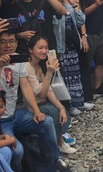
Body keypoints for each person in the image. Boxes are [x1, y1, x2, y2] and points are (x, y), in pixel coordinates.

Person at [0, 31, 70, 172]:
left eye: (12, 41)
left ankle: (53, 160)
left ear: (17, 43)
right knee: (17, 151)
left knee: (46, 121)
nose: (8, 45)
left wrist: (36, 111)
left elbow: (26, 87)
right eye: (3, 42)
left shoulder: (19, 60)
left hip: (15, 113)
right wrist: (0, 66)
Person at [25, 35, 73, 163]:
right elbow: (40, 93)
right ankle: (59, 144)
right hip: (29, 106)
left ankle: (60, 138)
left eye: (46, 48)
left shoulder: (40, 65)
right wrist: (49, 73)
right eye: (40, 48)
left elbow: (49, 90)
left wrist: (61, 107)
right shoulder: (27, 66)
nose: (44, 51)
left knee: (63, 111)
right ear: (30, 49)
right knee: (53, 112)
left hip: (41, 102)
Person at [48, 0, 87, 114]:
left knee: (75, 76)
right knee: (64, 78)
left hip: (72, 46)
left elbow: (81, 20)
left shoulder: (67, 5)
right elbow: (56, 21)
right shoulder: (49, 7)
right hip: (60, 47)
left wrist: (74, 3)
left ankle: (79, 102)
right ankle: (68, 106)